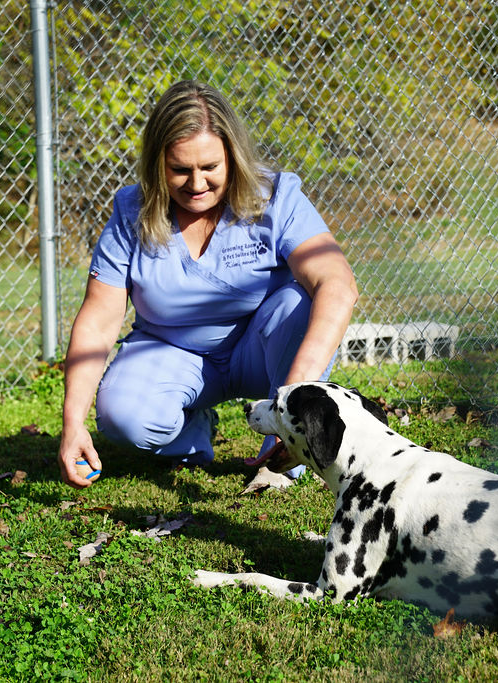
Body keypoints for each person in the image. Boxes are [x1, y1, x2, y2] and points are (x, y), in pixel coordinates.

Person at [58, 80, 357, 489]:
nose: (196, 185)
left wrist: (295, 397)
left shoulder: (277, 198)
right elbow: (98, 319)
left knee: (302, 302)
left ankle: (284, 450)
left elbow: (337, 285)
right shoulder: (132, 212)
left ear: (232, 158)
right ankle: (191, 430)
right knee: (123, 415)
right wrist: (73, 423)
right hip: (173, 352)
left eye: (210, 168)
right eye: (180, 169)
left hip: (263, 349)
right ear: (157, 164)